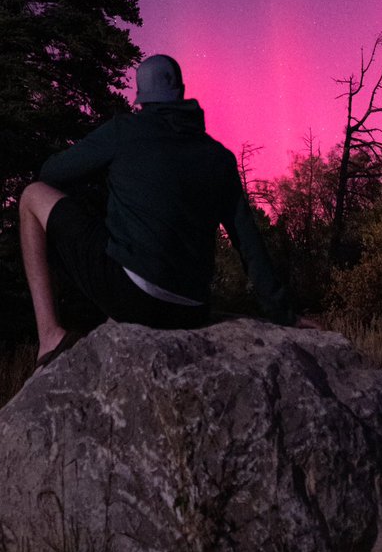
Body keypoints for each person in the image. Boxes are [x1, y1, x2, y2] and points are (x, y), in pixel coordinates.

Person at [19, 54, 295, 368]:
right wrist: (285, 317)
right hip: (192, 309)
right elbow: (249, 243)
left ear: (140, 97)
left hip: (134, 300)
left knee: (31, 196)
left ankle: (50, 336)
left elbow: (50, 173)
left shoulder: (124, 130)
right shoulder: (219, 156)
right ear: (181, 91)